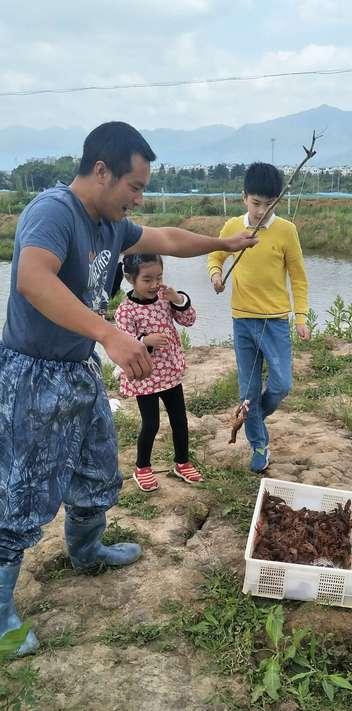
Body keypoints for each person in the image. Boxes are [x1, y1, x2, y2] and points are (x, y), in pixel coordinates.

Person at [0, 121, 257, 656]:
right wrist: (109, 333)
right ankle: (0, 615)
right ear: (101, 171)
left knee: (97, 466)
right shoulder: (54, 212)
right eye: (135, 186)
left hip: (76, 370)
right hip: (31, 374)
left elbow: (166, 239)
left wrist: (223, 241)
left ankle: (86, 551)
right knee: (21, 493)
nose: (139, 197)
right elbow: (32, 279)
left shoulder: (109, 224)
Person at [208, 162, 310, 474]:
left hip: (276, 321)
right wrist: (215, 275)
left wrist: (301, 316)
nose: (262, 210)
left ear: (278, 201)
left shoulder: (286, 231)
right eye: (256, 203)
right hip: (243, 322)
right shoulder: (232, 228)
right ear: (244, 198)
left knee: (281, 384)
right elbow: (216, 254)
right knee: (248, 390)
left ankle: (253, 417)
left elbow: (298, 277)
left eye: (269, 204)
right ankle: (259, 446)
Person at [114, 253, 202, 492]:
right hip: (145, 377)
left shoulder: (164, 299)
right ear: (130, 278)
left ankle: (182, 462)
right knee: (151, 424)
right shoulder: (125, 310)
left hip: (170, 372)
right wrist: (146, 340)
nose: (154, 285)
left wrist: (178, 299)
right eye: (147, 279)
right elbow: (123, 342)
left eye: (159, 278)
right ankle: (142, 467)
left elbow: (189, 320)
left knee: (180, 421)